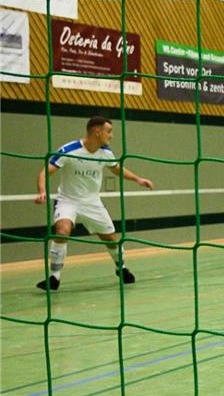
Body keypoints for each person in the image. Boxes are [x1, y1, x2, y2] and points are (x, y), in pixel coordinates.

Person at [34, 116, 154, 291]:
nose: (111, 136)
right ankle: (54, 278)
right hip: (68, 200)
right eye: (109, 131)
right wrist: (43, 192)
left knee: (111, 239)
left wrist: (138, 179)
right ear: (97, 131)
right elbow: (44, 172)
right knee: (62, 231)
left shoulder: (105, 152)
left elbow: (117, 169)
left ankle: (121, 268)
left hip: (92, 202)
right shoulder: (69, 150)